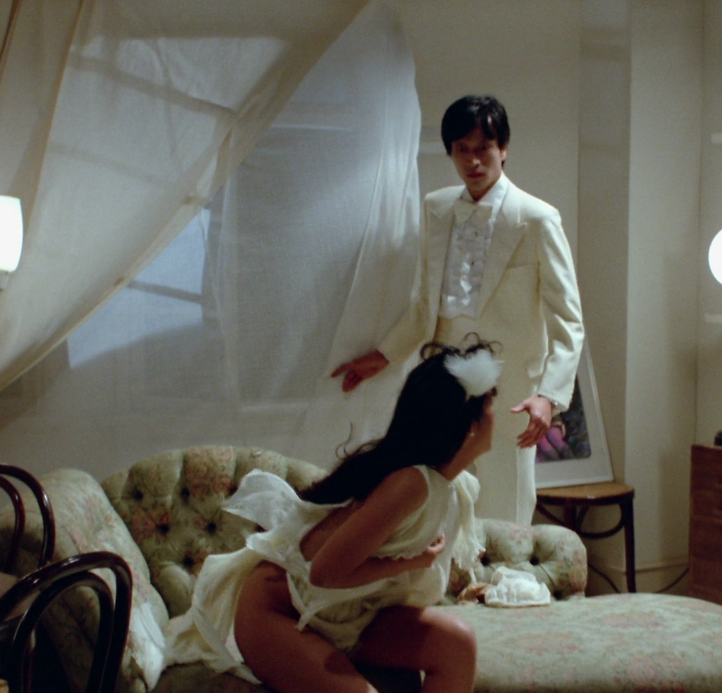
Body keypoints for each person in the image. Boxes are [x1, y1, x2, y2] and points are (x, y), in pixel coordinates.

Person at [164, 340, 501, 693]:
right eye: (490, 403)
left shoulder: (451, 485)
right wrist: (410, 563)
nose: (497, 410)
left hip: (348, 615)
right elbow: (325, 572)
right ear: (469, 426)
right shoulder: (411, 484)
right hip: (280, 614)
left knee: (457, 644)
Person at [332, 95, 584, 524]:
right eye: (462, 149)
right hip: (442, 379)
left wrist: (549, 396)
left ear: (503, 148)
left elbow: (568, 321)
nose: (473, 160)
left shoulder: (538, 219)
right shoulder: (437, 208)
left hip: (510, 389)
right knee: (436, 499)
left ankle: (503, 566)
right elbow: (425, 303)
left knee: (505, 503)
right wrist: (384, 355)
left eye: (484, 147)